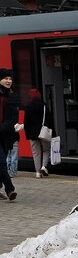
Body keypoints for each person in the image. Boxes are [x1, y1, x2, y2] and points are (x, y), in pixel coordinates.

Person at [24, 87, 54, 178]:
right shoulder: (44, 106)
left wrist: (27, 135)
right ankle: (44, 166)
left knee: (36, 153)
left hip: (32, 134)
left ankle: (37, 172)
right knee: (45, 150)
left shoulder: (28, 107)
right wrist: (53, 133)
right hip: (44, 132)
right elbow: (50, 120)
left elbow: (26, 122)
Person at [0, 68, 18, 200]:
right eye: (5, 78)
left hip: (6, 136)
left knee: (1, 162)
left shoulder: (12, 96)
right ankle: (10, 189)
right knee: (1, 163)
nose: (8, 81)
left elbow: (13, 118)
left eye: (10, 78)